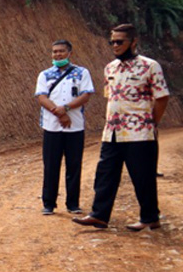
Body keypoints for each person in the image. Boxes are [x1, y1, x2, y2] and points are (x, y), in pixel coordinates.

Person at [73, 24, 170, 231]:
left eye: (119, 41)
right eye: (112, 42)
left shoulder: (150, 66)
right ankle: (99, 215)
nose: (115, 45)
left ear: (133, 42)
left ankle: (150, 217)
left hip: (140, 134)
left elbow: (162, 97)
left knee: (142, 176)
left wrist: (151, 122)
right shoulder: (110, 68)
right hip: (112, 133)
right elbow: (111, 98)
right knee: (105, 174)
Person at [34, 40, 94, 215]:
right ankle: (48, 204)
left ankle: (73, 203)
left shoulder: (81, 73)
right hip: (51, 126)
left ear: (70, 53)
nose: (57, 55)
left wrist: (66, 108)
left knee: (74, 165)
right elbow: (41, 97)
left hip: (75, 126)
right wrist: (59, 112)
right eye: (54, 52)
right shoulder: (44, 75)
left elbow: (86, 95)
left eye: (61, 51)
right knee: (51, 165)